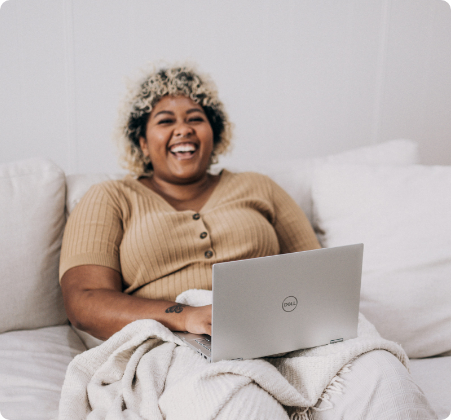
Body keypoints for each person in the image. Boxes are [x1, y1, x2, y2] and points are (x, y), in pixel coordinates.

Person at [59, 64, 436, 419]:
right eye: (165, 121)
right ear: (141, 141)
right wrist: (185, 316)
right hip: (175, 337)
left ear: (215, 133)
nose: (183, 129)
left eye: (195, 119)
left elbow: (316, 272)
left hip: (281, 327)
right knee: (243, 406)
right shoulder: (109, 197)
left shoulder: (258, 187)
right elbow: (85, 300)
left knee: (385, 383)